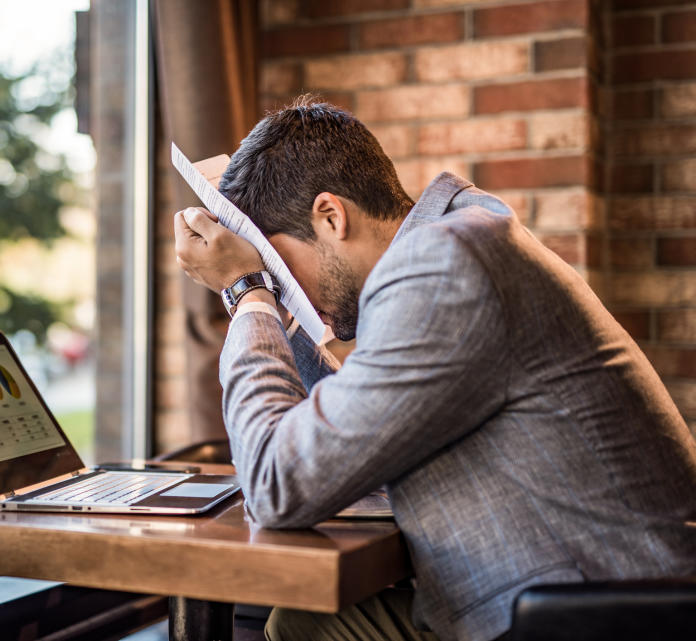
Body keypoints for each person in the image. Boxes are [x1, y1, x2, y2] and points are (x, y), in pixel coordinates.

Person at [172, 98, 696, 641]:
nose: (282, 285)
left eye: (280, 265)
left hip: (594, 617)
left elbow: (276, 485)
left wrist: (247, 292)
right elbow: (354, 432)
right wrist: (277, 305)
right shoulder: (458, 237)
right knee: (304, 623)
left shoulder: (445, 269)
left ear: (332, 216)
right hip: (581, 590)